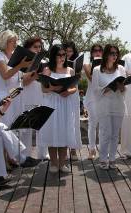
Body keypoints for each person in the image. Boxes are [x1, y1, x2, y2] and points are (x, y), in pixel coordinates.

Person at [39, 44, 79, 173]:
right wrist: (53, 88)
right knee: (52, 132)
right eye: (59, 55)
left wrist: (69, 91)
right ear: (53, 56)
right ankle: (54, 163)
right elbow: (43, 89)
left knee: (64, 132)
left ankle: (63, 163)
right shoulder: (47, 70)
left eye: (64, 55)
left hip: (65, 103)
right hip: (51, 103)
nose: (62, 57)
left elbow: (75, 88)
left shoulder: (70, 70)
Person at [91, 44, 126, 169]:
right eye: (112, 53)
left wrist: (122, 87)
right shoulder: (96, 70)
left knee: (115, 134)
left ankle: (112, 159)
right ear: (106, 54)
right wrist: (106, 89)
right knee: (106, 133)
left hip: (118, 104)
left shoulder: (121, 69)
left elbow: (124, 89)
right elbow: (94, 91)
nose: (114, 56)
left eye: (116, 54)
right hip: (104, 105)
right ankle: (103, 159)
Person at [0, 30, 30, 128]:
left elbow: (19, 76)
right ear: (5, 42)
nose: (16, 44)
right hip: (3, 97)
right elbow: (5, 75)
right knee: (4, 125)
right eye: (13, 41)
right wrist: (21, 65)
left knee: (15, 126)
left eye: (16, 41)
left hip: (16, 95)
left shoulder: (15, 57)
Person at [19, 36, 49, 160]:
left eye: (39, 47)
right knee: (26, 128)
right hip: (27, 96)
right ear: (28, 48)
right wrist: (35, 73)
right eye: (35, 47)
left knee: (42, 126)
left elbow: (46, 80)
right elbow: (24, 82)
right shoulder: (23, 62)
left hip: (41, 96)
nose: (38, 49)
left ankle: (43, 153)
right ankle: (26, 155)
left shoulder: (44, 61)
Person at [83, 44, 103, 160]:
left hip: (104, 97)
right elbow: (92, 78)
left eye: (100, 51)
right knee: (93, 124)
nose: (98, 52)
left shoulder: (107, 66)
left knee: (103, 125)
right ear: (91, 53)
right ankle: (92, 149)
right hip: (92, 97)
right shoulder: (87, 65)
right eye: (95, 51)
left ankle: (103, 149)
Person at [63, 41, 82, 161]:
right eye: (66, 51)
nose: (68, 54)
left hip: (73, 93)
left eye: (70, 51)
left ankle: (74, 150)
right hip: (62, 94)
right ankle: (63, 150)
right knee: (64, 121)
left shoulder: (76, 64)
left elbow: (77, 81)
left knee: (74, 121)